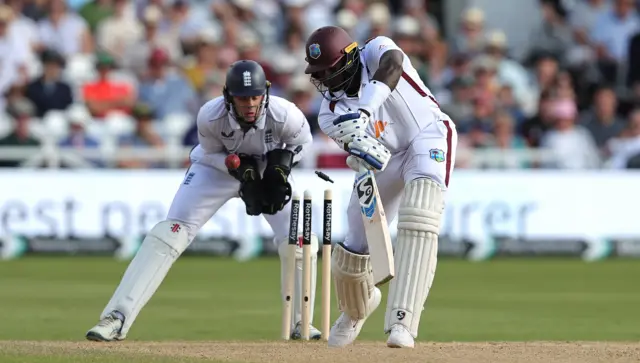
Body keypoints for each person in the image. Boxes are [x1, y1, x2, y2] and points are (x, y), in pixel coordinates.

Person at [85, 60, 318, 341]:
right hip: (216, 169)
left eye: (256, 96)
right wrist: (238, 169)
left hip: (267, 169)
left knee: (301, 238)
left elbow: (302, 144)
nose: (250, 104)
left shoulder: (286, 114)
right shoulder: (210, 115)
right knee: (171, 233)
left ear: (265, 93)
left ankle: (301, 324)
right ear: (228, 95)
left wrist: (279, 169)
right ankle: (116, 318)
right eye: (243, 98)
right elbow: (209, 153)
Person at [303, 26, 458, 348]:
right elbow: (369, 151)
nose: (326, 79)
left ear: (349, 58)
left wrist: (363, 112)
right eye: (320, 74)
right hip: (385, 160)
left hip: (428, 135)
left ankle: (403, 320)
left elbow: (392, 67)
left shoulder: (376, 50)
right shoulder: (329, 113)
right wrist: (359, 149)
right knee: (354, 243)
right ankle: (356, 309)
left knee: (420, 215)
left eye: (330, 70)